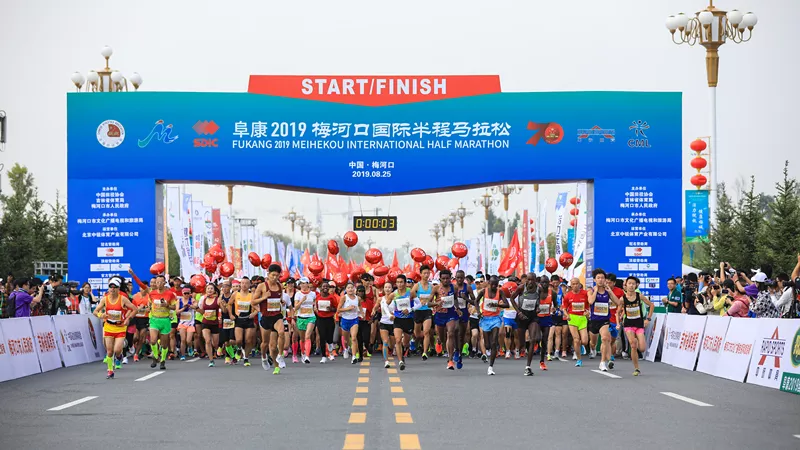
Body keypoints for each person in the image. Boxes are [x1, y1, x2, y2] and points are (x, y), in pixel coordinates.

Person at [94, 277, 137, 379]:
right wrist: (101, 315)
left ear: (118, 289)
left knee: (117, 350)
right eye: (111, 287)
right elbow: (95, 311)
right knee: (109, 351)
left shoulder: (123, 299)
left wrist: (128, 319)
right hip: (109, 326)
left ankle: (119, 356)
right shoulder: (105, 299)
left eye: (115, 287)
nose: (112, 289)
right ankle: (110, 370)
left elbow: (135, 309)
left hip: (120, 327)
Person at [252, 264, 290, 374]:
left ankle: (280, 357)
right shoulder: (262, 286)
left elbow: (279, 298)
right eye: (273, 275)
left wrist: (281, 301)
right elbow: (253, 302)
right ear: (268, 274)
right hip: (266, 317)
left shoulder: (280, 286)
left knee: (281, 333)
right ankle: (264, 357)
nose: (274, 278)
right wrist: (264, 297)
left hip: (277, 316)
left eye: (277, 276)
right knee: (266, 343)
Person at [586, 269, 621, 372]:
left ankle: (602, 362)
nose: (601, 280)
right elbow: (591, 301)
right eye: (598, 278)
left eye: (602, 278)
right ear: (594, 280)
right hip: (594, 321)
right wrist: (596, 290)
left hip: (604, 320)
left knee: (605, 338)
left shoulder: (607, 291)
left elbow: (618, 303)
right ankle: (592, 349)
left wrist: (610, 291)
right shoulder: (591, 290)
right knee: (593, 343)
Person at [621, 276, 654, 376]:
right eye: (629, 283)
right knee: (633, 344)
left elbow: (651, 305)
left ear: (636, 285)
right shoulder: (623, 298)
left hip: (639, 324)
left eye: (633, 284)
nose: (631, 285)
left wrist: (648, 319)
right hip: (628, 324)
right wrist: (619, 320)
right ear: (626, 285)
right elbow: (618, 310)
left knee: (642, 348)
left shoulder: (639, 296)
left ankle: (636, 343)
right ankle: (636, 368)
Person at [144, 273, 178, 370]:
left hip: (165, 320)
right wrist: (147, 308)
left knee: (164, 344)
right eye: (157, 282)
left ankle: (162, 360)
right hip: (154, 319)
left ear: (164, 283)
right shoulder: (152, 293)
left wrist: (167, 305)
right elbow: (149, 305)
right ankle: (155, 357)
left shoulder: (170, 294)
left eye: (160, 282)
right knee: (153, 340)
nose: (158, 284)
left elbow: (174, 307)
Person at [476, 275, 508, 375]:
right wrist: (478, 312)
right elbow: (476, 301)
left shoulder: (500, 292)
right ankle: (487, 349)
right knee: (487, 345)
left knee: (494, 342)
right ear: (489, 283)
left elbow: (507, 304)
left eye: (496, 285)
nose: (494, 286)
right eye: (492, 284)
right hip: (485, 319)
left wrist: (497, 305)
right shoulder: (483, 291)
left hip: (495, 319)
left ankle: (491, 367)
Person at [430, 270, 460, 370]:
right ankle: (439, 342)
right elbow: (428, 303)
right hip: (440, 315)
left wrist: (457, 308)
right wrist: (436, 303)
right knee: (442, 338)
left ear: (450, 278)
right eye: (443, 278)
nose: (446, 280)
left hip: (451, 314)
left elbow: (455, 299)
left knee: (450, 333)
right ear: (440, 279)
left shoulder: (454, 287)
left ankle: (450, 360)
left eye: (447, 278)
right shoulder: (436, 288)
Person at [388, 274, 418, 371]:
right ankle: (400, 361)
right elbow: (385, 304)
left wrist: (410, 309)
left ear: (405, 283)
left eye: (401, 282)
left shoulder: (411, 292)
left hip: (408, 320)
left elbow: (419, 304)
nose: (399, 284)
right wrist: (390, 313)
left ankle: (404, 349)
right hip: (398, 319)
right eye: (398, 282)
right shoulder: (394, 294)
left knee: (405, 343)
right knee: (397, 340)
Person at [563, 278, 589, 367]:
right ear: (571, 285)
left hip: (582, 318)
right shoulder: (568, 295)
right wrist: (567, 315)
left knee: (585, 341)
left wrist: (588, 312)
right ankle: (579, 359)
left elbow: (589, 304)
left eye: (577, 283)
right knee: (576, 339)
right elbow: (564, 308)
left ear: (579, 284)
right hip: (572, 318)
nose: (575, 285)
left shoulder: (585, 293)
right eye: (573, 284)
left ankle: (577, 346)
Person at [410, 265, 434, 360]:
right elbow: (411, 295)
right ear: (421, 274)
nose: (426, 275)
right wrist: (418, 300)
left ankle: (424, 352)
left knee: (426, 332)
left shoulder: (431, 286)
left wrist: (433, 302)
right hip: (418, 311)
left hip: (427, 311)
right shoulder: (417, 286)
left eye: (428, 273)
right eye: (424, 273)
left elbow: (434, 297)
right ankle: (415, 342)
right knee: (417, 334)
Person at [233, 277, 258, 366]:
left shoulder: (252, 295)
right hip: (239, 319)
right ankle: (239, 349)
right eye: (242, 283)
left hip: (248, 319)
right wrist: (231, 314)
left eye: (246, 283)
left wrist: (254, 314)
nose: (244, 285)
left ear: (249, 285)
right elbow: (229, 304)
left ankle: (246, 358)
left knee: (248, 340)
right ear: (240, 284)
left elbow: (258, 308)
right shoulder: (235, 294)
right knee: (239, 340)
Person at [293, 277, 318, 364]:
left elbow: (314, 304)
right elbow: (296, 307)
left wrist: (315, 307)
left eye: (304, 283)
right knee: (302, 338)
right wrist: (301, 301)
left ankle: (307, 356)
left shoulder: (313, 294)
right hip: (301, 317)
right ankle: (303, 353)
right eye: (301, 284)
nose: (303, 285)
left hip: (311, 317)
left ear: (308, 284)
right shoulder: (298, 294)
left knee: (307, 336)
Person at [314, 281, 339, 363]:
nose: (325, 288)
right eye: (323, 286)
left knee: (330, 338)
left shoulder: (332, 297)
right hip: (320, 319)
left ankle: (331, 353)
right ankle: (323, 356)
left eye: (327, 286)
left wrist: (331, 309)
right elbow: (315, 307)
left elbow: (336, 308)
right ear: (320, 288)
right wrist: (315, 310)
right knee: (322, 337)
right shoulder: (318, 297)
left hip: (329, 319)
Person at [454, 270, 476, 362]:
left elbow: (474, 301)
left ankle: (459, 353)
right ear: (455, 278)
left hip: (464, 313)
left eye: (461, 278)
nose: (459, 279)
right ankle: (455, 351)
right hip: (454, 312)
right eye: (458, 277)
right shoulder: (452, 287)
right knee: (454, 330)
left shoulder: (468, 287)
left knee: (461, 335)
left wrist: (466, 298)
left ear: (464, 278)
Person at [338, 282, 361, 365]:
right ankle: (346, 348)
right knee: (346, 340)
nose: (350, 289)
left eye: (352, 287)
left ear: (354, 289)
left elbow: (360, 306)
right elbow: (338, 309)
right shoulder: (344, 297)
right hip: (345, 320)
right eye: (348, 288)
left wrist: (361, 313)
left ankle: (354, 357)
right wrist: (348, 309)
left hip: (354, 319)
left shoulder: (358, 298)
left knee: (354, 338)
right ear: (346, 289)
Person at [374, 281, 396, 368]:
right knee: (385, 342)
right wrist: (373, 310)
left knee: (392, 344)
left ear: (392, 289)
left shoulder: (395, 298)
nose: (387, 289)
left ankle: (392, 348)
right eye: (386, 287)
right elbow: (376, 307)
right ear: (383, 289)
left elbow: (399, 308)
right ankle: (386, 361)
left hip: (393, 323)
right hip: (384, 322)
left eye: (389, 287)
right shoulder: (380, 299)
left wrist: (394, 314)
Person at [176, 286, 197, 361]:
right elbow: (177, 312)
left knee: (188, 340)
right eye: (185, 293)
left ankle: (190, 347)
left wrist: (190, 305)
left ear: (190, 293)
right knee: (183, 340)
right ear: (182, 293)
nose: (186, 295)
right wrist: (183, 308)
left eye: (188, 293)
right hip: (182, 323)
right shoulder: (179, 301)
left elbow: (196, 306)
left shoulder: (192, 300)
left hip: (190, 323)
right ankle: (182, 355)